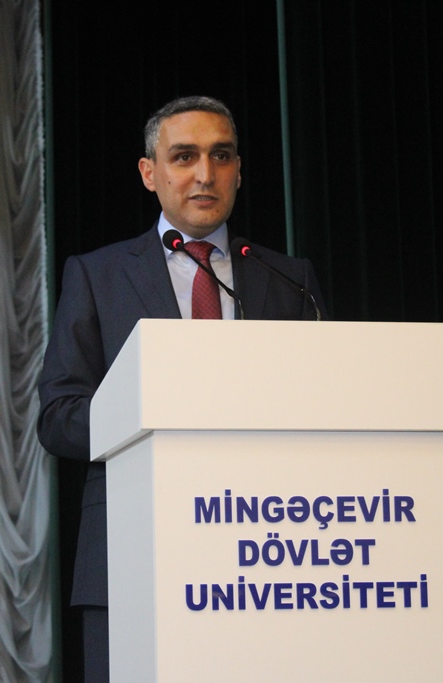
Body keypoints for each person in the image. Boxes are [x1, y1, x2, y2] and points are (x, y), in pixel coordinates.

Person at [37, 95, 325, 681]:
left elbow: (323, 404)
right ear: (150, 173)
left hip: (266, 557)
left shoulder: (287, 279)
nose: (204, 174)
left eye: (221, 156)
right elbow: (59, 415)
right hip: (132, 553)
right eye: (184, 156)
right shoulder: (97, 275)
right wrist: (153, 409)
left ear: (239, 171)